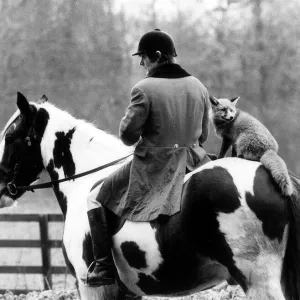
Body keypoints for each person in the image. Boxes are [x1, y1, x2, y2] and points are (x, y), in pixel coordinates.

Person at [85, 29, 212, 287]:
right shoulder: (199, 86)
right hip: (194, 159)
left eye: (143, 57)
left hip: (157, 164)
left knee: (94, 198)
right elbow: (205, 135)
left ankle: (102, 266)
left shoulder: (143, 89)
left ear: (156, 56)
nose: (141, 63)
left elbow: (128, 136)